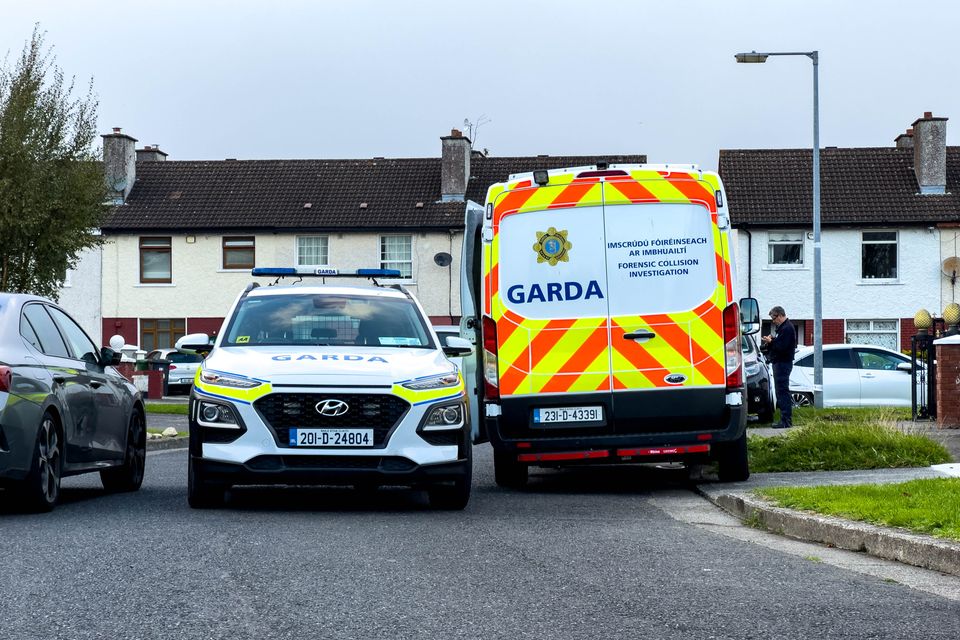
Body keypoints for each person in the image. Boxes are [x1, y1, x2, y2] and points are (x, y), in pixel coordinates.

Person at [762, 306, 797, 429]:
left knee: (782, 392)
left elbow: (782, 347)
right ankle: (785, 419)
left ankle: (786, 421)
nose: (773, 321)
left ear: (781, 315)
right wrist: (772, 341)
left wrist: (771, 342)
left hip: (783, 363)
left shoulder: (787, 328)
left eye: (774, 318)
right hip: (781, 362)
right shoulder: (783, 328)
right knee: (781, 391)